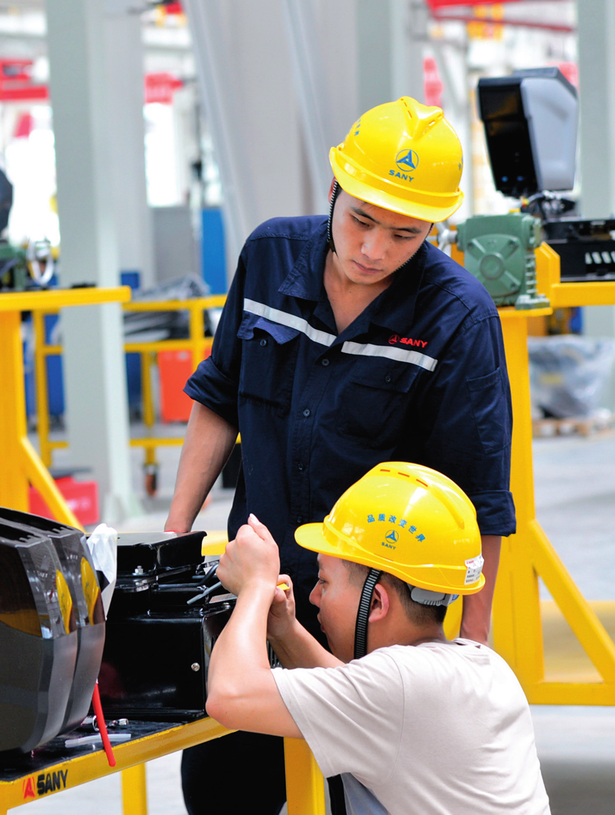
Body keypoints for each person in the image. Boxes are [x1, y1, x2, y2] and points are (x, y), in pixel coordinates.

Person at [167, 96, 515, 813]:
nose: (373, 248)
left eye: (404, 233)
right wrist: (176, 536)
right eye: (360, 218)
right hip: (251, 590)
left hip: (372, 619)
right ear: (333, 189)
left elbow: (481, 496)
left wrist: (468, 651)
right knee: (224, 785)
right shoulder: (267, 259)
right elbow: (218, 397)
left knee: (356, 797)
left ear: (434, 229)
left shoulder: (458, 318)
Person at [207, 462, 550, 815]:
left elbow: (229, 696)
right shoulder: (481, 665)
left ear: (376, 601)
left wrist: (254, 587)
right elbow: (357, 696)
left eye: (324, 582)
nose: (313, 597)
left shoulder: (399, 684)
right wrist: (286, 631)